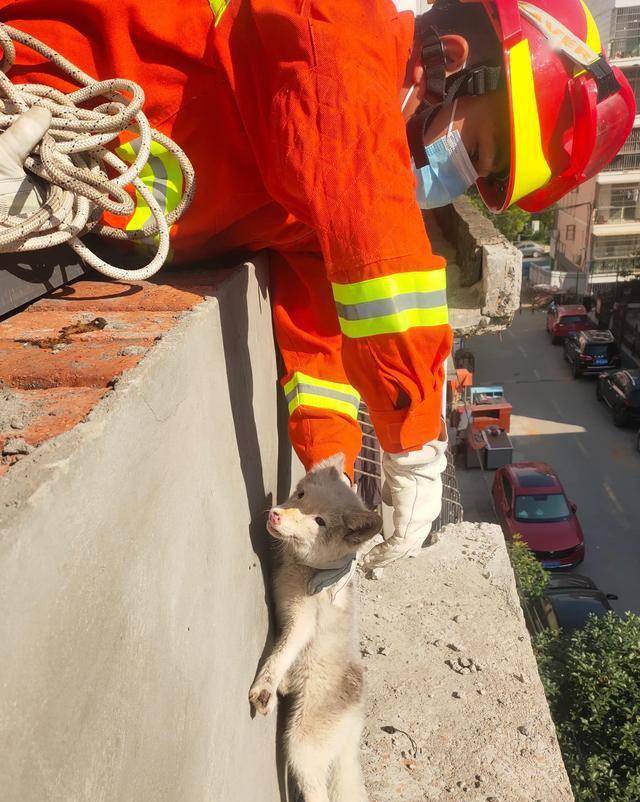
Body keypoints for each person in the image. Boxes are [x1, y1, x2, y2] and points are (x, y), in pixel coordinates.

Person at [0, 0, 634, 568]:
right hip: (22, 113)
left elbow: (320, 329)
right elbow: (364, 189)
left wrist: (326, 465)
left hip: (61, 229)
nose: (456, 179)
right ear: (450, 62)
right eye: (476, 148)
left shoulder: (322, 182)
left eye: (475, 176)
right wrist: (414, 437)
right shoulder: (336, 24)